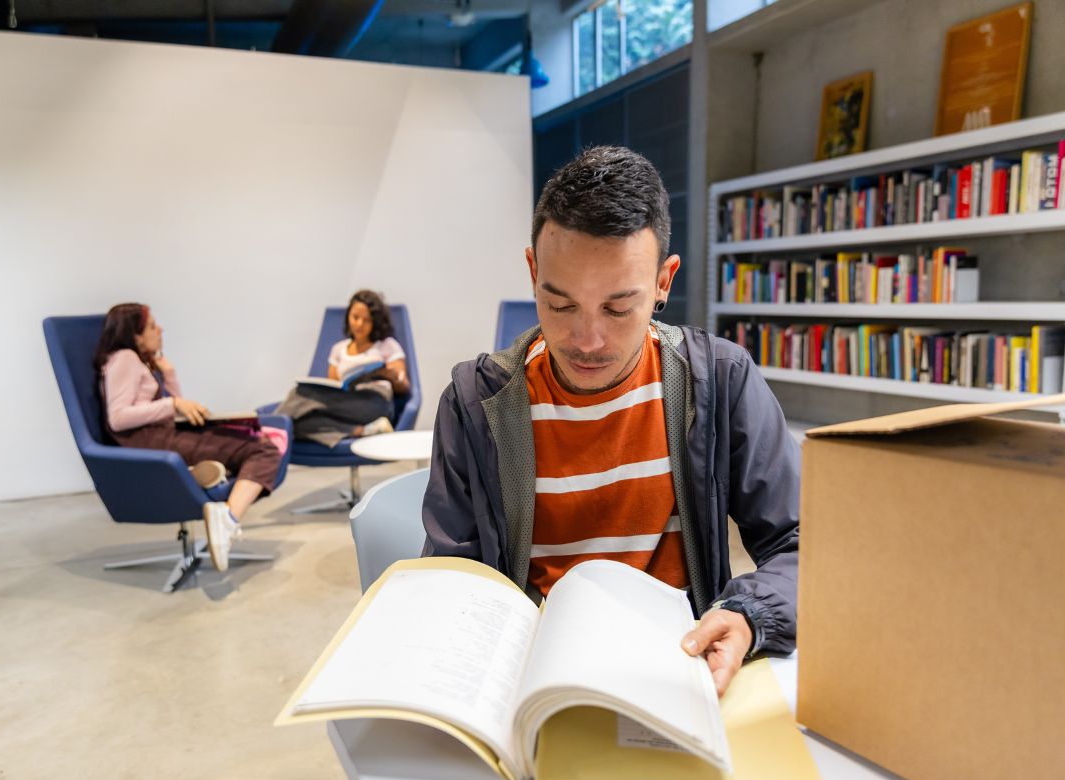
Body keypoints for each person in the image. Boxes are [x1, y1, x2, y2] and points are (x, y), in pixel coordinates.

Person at [422, 146, 799, 696]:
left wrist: (748, 614)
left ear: (664, 282)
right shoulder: (475, 404)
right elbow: (453, 580)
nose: (587, 341)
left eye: (619, 308)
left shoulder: (718, 381)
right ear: (533, 271)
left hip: (676, 667)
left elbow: (800, 541)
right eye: (560, 305)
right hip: (528, 679)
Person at [95, 303, 282, 572]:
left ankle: (200, 473)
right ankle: (226, 519)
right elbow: (118, 417)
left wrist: (168, 375)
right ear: (133, 335)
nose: (160, 330)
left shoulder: (138, 359)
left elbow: (167, 404)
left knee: (250, 440)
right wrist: (172, 406)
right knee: (263, 450)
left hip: (160, 433)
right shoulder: (125, 357)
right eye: (151, 326)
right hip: (148, 441)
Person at [276, 289, 410, 447]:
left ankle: (268, 428)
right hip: (345, 405)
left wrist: (392, 376)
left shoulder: (387, 345)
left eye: (367, 320)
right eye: (355, 317)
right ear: (348, 317)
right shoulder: (338, 349)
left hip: (376, 403)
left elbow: (404, 386)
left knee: (298, 393)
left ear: (376, 322)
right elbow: (333, 386)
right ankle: (361, 431)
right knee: (297, 424)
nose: (359, 324)